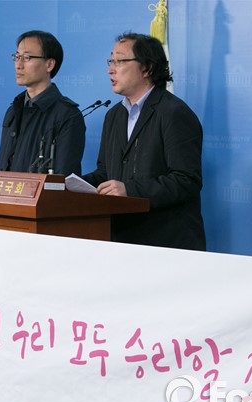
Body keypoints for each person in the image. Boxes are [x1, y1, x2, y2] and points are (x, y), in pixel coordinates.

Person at [82, 32, 205, 250]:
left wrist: (129, 190)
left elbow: (186, 180)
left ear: (147, 68)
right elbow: (105, 173)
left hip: (165, 243)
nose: (111, 69)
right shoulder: (113, 115)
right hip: (122, 238)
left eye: (120, 61)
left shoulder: (174, 113)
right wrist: (67, 185)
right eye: (111, 61)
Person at [0, 30, 85, 175]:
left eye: (26, 57)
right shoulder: (13, 111)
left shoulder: (67, 115)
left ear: (49, 64)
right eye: (17, 57)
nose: (18, 65)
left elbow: (63, 178)